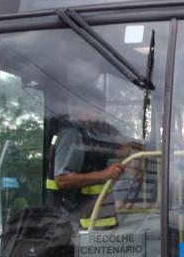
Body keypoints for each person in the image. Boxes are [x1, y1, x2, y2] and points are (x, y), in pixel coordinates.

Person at [45, 92, 143, 228]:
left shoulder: (92, 134)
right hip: (75, 224)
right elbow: (62, 180)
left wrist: (130, 148)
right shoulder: (71, 135)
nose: (103, 114)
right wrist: (105, 174)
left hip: (98, 223)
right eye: (97, 109)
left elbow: (109, 146)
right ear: (80, 109)